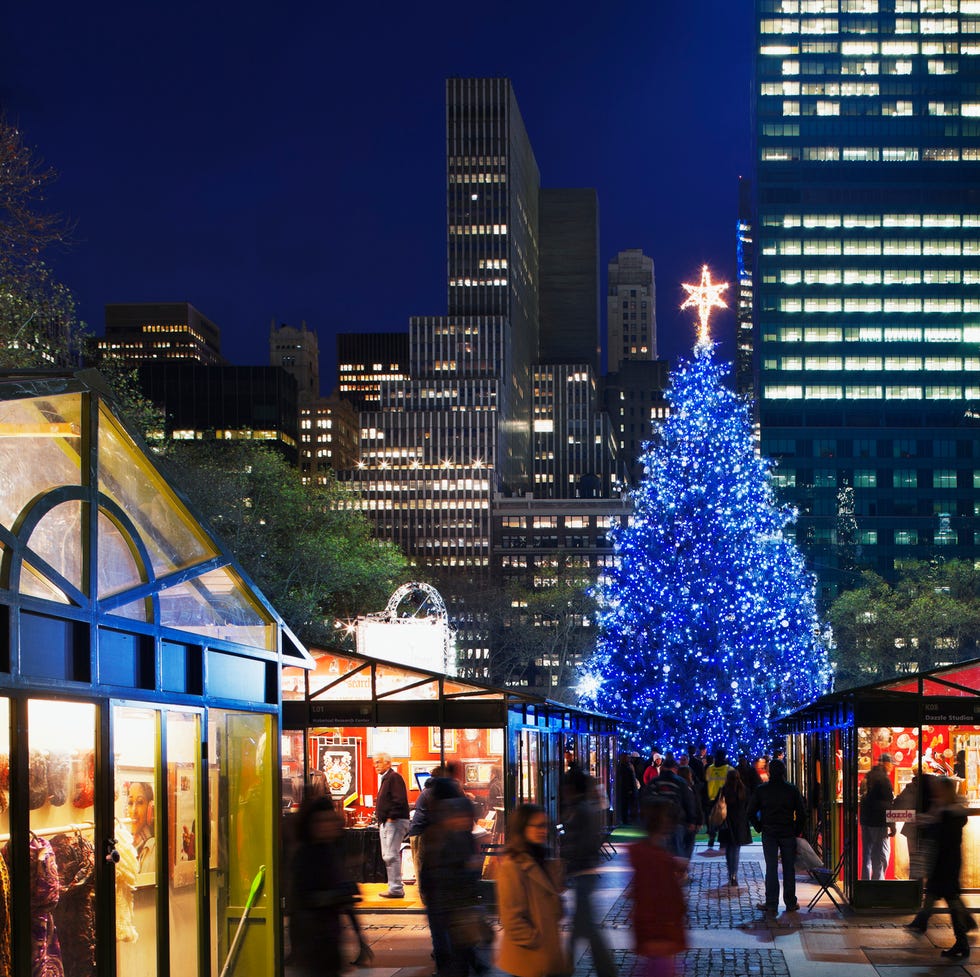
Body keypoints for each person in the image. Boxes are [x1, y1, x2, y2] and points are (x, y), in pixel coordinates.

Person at [907, 777, 977, 960]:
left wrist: (929, 822)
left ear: (947, 792)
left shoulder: (950, 814)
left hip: (946, 864)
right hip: (944, 863)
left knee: (952, 902)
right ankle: (960, 938)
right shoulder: (947, 811)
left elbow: (942, 835)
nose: (936, 792)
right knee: (946, 899)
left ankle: (962, 940)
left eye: (939, 789)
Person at [496, 804, 567, 977]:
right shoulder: (512, 866)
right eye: (537, 826)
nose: (542, 831)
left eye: (544, 826)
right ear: (522, 828)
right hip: (528, 958)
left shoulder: (543, 859)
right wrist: (537, 939)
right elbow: (512, 918)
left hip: (546, 954)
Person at [420, 795, 485, 977]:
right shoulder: (440, 838)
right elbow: (435, 873)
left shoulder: (462, 837)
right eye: (461, 816)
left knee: (460, 948)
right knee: (450, 949)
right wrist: (468, 867)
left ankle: (468, 965)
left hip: (457, 902)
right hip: (444, 903)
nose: (465, 821)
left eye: (467, 817)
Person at [560, 770, 617, 977]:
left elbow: (583, 842)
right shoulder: (580, 808)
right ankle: (569, 965)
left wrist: (569, 861)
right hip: (583, 871)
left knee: (586, 927)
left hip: (583, 871)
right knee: (582, 925)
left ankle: (569, 967)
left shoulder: (581, 809)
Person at [289, 796, 350, 977]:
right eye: (323, 821)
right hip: (312, 939)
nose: (329, 825)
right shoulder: (306, 855)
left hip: (327, 938)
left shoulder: (329, 851)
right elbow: (304, 896)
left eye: (331, 819)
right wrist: (338, 895)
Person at [629, 797, 687, 977]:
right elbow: (663, 899)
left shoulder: (649, 856)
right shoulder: (658, 861)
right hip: (661, 934)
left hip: (655, 933)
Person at [748, 758, 806, 913]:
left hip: (769, 832)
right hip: (787, 831)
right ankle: (790, 902)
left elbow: (750, 812)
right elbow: (802, 813)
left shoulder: (762, 790)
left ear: (770, 772)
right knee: (788, 868)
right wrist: (796, 830)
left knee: (771, 868)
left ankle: (772, 903)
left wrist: (759, 826)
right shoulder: (791, 789)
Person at [374, 752, 411, 898]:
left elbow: (399, 799)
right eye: (375, 762)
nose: (375, 765)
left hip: (394, 822)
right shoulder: (387, 778)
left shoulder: (394, 777)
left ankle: (396, 889)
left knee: (391, 855)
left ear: (388, 763)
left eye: (378, 762)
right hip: (388, 822)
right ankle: (394, 887)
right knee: (388, 855)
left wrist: (391, 817)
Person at [860, 753, 895, 881]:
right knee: (880, 854)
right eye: (891, 764)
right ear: (886, 763)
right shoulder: (884, 779)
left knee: (867, 854)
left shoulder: (869, 775)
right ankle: (877, 885)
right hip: (878, 821)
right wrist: (892, 824)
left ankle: (865, 883)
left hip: (866, 819)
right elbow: (887, 804)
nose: (892, 767)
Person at [719, 768, 751, 887]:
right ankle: (734, 875)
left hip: (727, 821)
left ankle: (730, 873)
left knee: (728, 849)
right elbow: (748, 805)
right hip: (740, 822)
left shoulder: (724, 790)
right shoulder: (743, 790)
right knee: (736, 849)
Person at [704, 750, 733, 849]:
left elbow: (706, 781)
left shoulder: (710, 769)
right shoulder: (729, 769)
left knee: (712, 821)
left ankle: (711, 838)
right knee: (723, 821)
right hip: (724, 799)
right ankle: (722, 842)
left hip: (711, 798)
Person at [128, 781, 155, 872]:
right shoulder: (127, 841)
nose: (134, 810)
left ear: (150, 808)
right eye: (130, 803)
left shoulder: (152, 846)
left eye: (140, 802)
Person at [616, 753, 639, 825]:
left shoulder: (625, 766)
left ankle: (626, 819)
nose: (629, 759)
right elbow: (628, 779)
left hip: (627, 789)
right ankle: (626, 819)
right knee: (626, 805)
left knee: (626, 805)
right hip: (627, 789)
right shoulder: (625, 767)